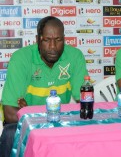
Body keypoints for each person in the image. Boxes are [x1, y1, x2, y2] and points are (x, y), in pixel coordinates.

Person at [0, 16, 88, 157]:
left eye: (58, 40)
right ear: (38, 40)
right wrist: (49, 117)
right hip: (29, 125)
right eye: (47, 40)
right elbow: (10, 114)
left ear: (64, 39)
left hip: (56, 121)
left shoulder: (74, 56)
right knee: (10, 133)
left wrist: (30, 111)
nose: (53, 47)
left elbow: (86, 103)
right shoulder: (21, 59)